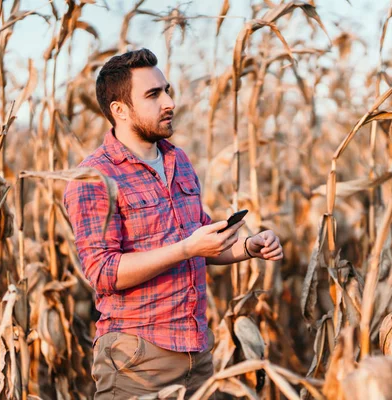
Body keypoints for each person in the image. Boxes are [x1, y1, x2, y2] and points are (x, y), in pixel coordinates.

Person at [63, 48, 283, 399]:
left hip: (197, 353)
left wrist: (247, 246)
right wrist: (186, 248)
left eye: (167, 90)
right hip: (137, 361)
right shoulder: (94, 177)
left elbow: (201, 243)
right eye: (153, 95)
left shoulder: (177, 159)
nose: (169, 102)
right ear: (119, 110)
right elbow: (103, 273)